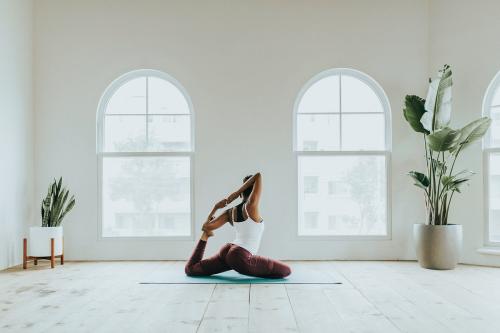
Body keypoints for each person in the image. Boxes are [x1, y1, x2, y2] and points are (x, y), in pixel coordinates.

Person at [184, 173, 291, 278]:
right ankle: (242, 267)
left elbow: (206, 227)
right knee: (286, 271)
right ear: (256, 193)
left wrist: (215, 208)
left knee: (191, 269)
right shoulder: (251, 207)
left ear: (241, 194)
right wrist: (234, 195)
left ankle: (241, 267)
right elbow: (258, 175)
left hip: (227, 251)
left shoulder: (230, 212)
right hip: (240, 257)